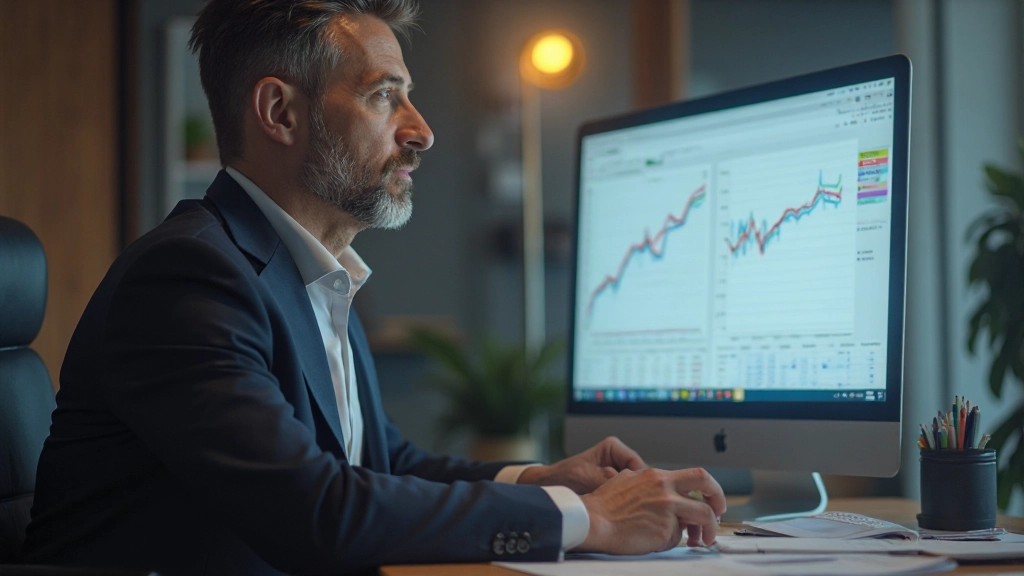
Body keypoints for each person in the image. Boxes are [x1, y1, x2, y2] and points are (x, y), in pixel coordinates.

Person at [22, 1, 725, 574]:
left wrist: (543, 482)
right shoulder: (188, 279)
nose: (420, 132)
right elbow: (320, 514)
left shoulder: (313, 271)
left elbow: (385, 466)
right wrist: (592, 519)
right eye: (385, 97)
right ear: (280, 113)